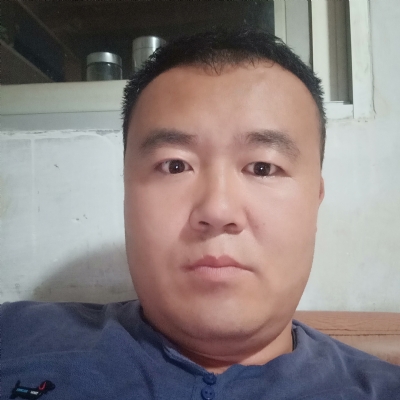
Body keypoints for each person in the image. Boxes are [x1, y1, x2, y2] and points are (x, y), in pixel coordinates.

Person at [1, 28, 399, 400]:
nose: (218, 210)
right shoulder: (15, 337)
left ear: (316, 198)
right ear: (126, 195)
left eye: (263, 167)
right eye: (175, 166)